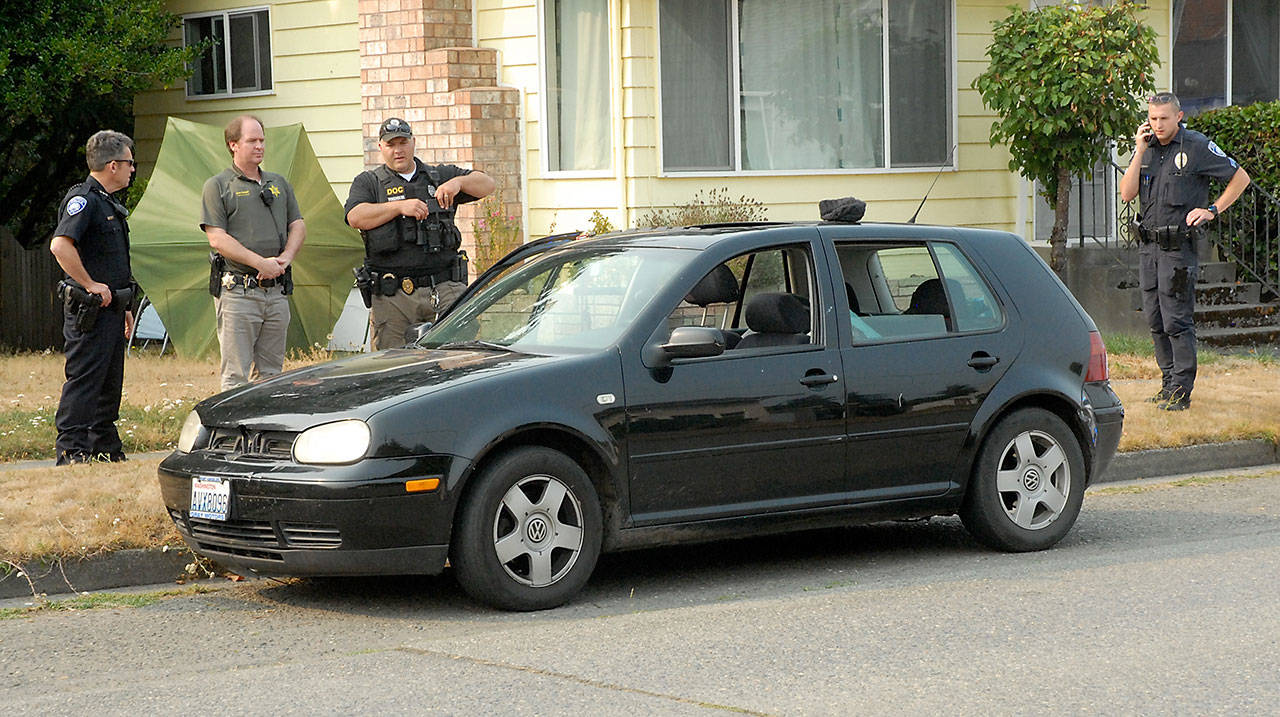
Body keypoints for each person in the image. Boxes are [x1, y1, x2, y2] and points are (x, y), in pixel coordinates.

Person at [1119, 92, 1250, 411]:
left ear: (1178, 116)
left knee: (1177, 320)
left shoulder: (1196, 146)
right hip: (1149, 248)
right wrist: (1138, 151)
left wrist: (1212, 210)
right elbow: (1126, 194)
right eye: (1152, 118)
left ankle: (1181, 390)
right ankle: (1167, 384)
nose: (1158, 124)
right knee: (1155, 319)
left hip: (1178, 249)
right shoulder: (1147, 149)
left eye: (1164, 118)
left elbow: (1240, 178)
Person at [345, 117, 495, 349]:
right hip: (394, 295)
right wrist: (398, 207)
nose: (398, 150)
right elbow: (355, 216)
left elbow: (488, 184)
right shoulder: (370, 182)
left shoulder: (438, 176)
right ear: (381, 148)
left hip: (445, 288)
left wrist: (458, 183)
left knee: (458, 358)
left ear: (413, 142)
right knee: (394, 368)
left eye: (403, 143)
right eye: (391, 144)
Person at [49, 130, 137, 465]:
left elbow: (112, 261)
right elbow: (60, 245)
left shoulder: (109, 202)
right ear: (112, 165)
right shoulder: (83, 200)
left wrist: (124, 306)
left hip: (113, 309)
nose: (133, 169)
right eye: (129, 163)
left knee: (109, 383)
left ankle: (103, 447)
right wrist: (89, 284)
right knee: (85, 380)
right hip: (90, 312)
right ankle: (72, 449)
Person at [201, 115, 306, 391]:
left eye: (262, 140)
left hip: (276, 290)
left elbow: (297, 224)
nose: (259, 146)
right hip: (239, 293)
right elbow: (217, 238)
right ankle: (233, 433)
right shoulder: (219, 186)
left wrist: (286, 258)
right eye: (252, 141)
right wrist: (260, 262)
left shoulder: (279, 184)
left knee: (272, 374)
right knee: (236, 376)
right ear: (233, 144)